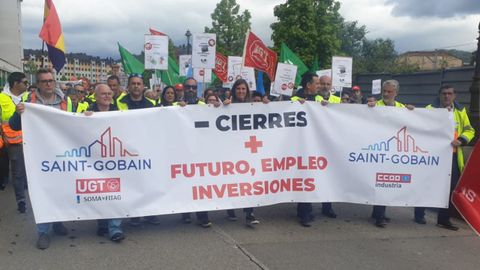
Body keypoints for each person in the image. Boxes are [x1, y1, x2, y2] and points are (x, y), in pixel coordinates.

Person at [9, 68, 72, 249]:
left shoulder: (65, 101)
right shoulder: (29, 101)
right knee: (42, 192)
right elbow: (14, 126)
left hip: (61, 154)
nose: (48, 84)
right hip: (38, 155)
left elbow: (74, 123)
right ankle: (43, 232)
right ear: (37, 83)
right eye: (44, 81)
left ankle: (58, 222)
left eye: (51, 80)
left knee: (61, 191)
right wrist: (17, 113)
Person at [414, 85, 475, 230]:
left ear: (455, 95)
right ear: (439, 95)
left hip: (452, 155)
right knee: (426, 185)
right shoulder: (429, 109)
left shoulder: (460, 111)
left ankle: (443, 219)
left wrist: (461, 140)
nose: (446, 96)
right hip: (432, 156)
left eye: (449, 94)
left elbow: (469, 130)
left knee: (450, 188)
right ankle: (419, 214)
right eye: (444, 94)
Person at [367, 79, 414, 228]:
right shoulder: (376, 106)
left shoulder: (402, 108)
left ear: (396, 93)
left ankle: (378, 213)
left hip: (394, 153)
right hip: (378, 150)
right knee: (380, 182)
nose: (386, 94)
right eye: (384, 91)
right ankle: (378, 215)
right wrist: (367, 107)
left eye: (389, 91)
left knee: (386, 183)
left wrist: (413, 111)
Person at [116, 74, 160, 226]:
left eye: (139, 84)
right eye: (133, 83)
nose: (136, 86)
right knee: (131, 184)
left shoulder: (151, 104)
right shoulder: (118, 102)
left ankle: (149, 213)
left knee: (147, 183)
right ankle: (134, 214)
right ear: (128, 86)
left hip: (145, 149)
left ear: (143, 87)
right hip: (125, 148)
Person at [222, 79, 265, 226]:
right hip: (231, 150)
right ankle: (230, 208)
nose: (241, 91)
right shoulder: (227, 105)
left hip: (248, 151)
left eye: (243, 89)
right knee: (232, 181)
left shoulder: (252, 106)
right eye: (238, 89)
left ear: (247, 91)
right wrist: (222, 106)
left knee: (249, 182)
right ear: (234, 90)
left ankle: (249, 214)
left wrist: (267, 105)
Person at [85, 84, 125, 242]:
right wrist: (83, 118)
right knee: (100, 193)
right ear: (95, 96)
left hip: (115, 159)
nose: (108, 96)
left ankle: (115, 228)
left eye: (110, 93)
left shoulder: (119, 113)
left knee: (115, 192)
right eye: (104, 94)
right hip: (95, 160)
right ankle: (102, 223)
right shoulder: (88, 112)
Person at [0, 72, 29, 213]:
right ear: (15, 83)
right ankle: (21, 201)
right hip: (12, 142)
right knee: (17, 172)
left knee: (30, 170)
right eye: (25, 82)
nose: (27, 85)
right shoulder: (1, 98)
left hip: (31, 140)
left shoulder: (29, 97)